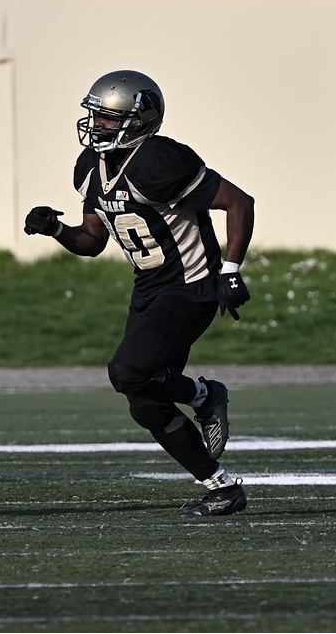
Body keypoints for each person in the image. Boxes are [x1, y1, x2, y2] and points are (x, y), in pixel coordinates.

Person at [22, 70, 257, 517]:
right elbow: (92, 241)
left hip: (191, 286)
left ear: (140, 119)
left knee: (127, 370)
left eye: (109, 118)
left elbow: (239, 202)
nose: (97, 125)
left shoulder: (159, 160)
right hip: (148, 291)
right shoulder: (90, 166)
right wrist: (55, 229)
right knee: (146, 405)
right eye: (95, 116)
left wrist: (230, 270)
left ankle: (205, 395)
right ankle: (221, 488)